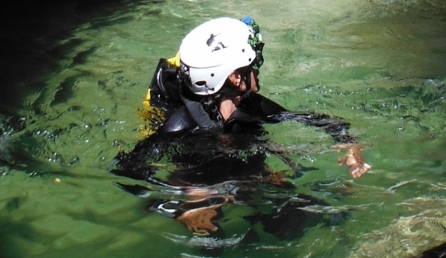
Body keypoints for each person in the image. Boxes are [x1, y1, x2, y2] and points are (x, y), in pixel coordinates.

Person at [115, 15, 369, 235]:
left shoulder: (250, 106)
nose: (258, 68)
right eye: (253, 63)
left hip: (238, 170)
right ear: (236, 78)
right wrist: (178, 206)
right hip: (198, 182)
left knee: (308, 214)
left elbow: (318, 120)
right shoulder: (181, 125)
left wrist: (350, 144)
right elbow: (127, 172)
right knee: (214, 242)